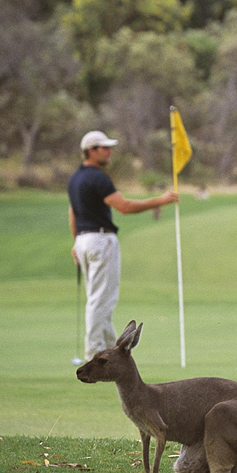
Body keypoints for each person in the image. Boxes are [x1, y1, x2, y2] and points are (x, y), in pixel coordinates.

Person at [68, 130, 179, 361]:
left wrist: (76, 243)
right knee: (101, 300)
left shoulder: (75, 178)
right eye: (104, 148)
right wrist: (161, 200)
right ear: (91, 150)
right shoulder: (98, 177)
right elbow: (124, 206)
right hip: (100, 241)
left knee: (100, 299)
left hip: (84, 240)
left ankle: (111, 351)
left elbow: (73, 212)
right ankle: (94, 353)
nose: (109, 152)